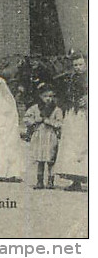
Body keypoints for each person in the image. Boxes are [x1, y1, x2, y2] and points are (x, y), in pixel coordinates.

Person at [53, 53, 87, 191]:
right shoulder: (70, 79)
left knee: (85, 144)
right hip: (73, 113)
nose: (78, 68)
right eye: (75, 65)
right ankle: (76, 180)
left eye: (80, 64)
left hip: (86, 114)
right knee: (72, 145)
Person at [23, 84, 63, 189]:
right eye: (46, 96)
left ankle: (50, 181)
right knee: (40, 159)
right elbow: (26, 119)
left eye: (51, 96)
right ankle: (39, 181)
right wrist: (35, 121)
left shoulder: (57, 109)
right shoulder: (35, 108)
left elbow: (60, 123)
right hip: (39, 135)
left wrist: (49, 122)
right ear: (40, 96)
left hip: (50, 136)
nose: (49, 99)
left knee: (50, 159)